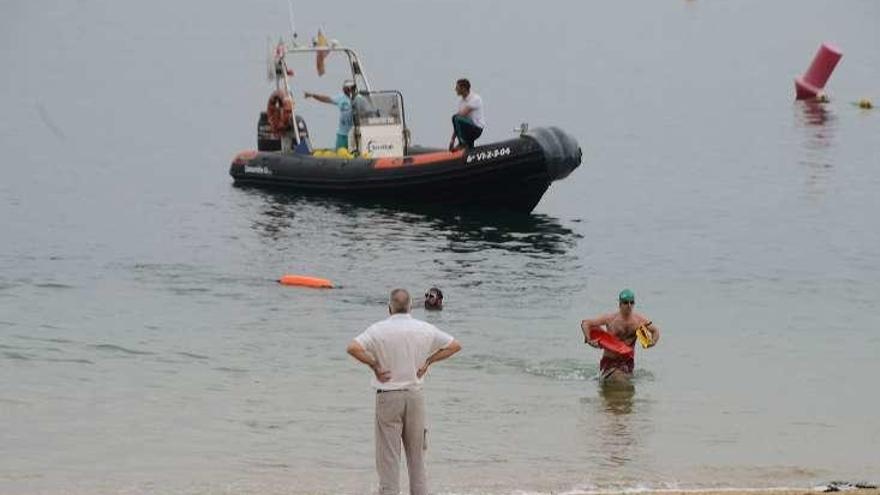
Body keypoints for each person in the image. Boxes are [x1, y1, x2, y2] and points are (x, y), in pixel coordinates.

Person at [346, 288, 462, 495]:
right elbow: (454, 345)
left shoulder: (378, 330)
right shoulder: (425, 328)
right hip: (415, 396)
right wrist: (428, 361)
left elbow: (353, 347)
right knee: (417, 459)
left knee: (388, 460)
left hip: (388, 396)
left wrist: (375, 366)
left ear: (389, 307)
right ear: (410, 307)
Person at [580, 289, 660, 382]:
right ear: (620, 304)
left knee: (626, 390)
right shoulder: (610, 319)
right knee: (619, 380)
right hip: (609, 360)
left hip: (627, 362)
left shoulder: (639, 321)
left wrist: (652, 342)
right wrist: (589, 340)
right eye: (626, 303)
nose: (629, 305)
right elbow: (586, 324)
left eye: (632, 302)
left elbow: (655, 331)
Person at [304, 80, 356, 150]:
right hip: (342, 134)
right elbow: (326, 99)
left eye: (346, 88)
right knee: (339, 153)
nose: (344, 90)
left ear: (350, 89)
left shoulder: (358, 99)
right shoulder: (341, 98)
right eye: (344, 88)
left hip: (353, 133)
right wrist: (313, 95)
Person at [448, 78, 485, 151]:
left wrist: (458, 140)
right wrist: (452, 140)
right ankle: (468, 149)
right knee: (456, 119)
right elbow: (457, 124)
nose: (455, 89)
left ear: (463, 88)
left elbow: (460, 116)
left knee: (455, 117)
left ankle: (462, 144)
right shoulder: (461, 102)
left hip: (476, 129)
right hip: (467, 129)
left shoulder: (475, 98)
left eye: (457, 87)